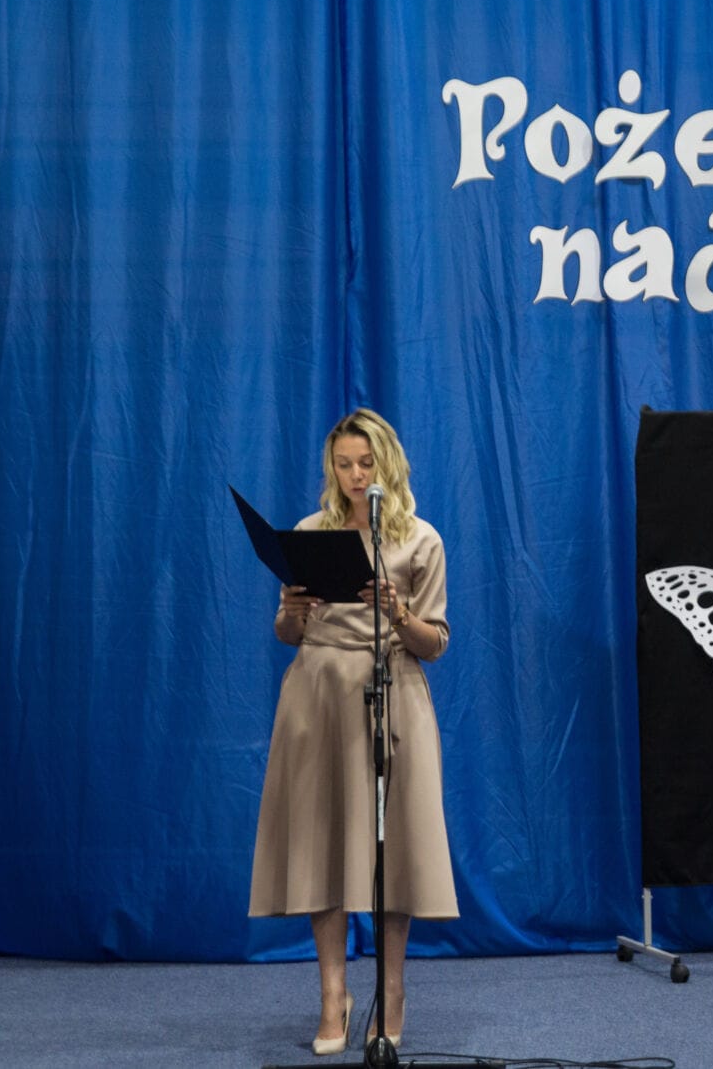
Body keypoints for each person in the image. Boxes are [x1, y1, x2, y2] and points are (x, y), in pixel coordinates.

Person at [249, 408, 457, 1056]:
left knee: (393, 854)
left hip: (391, 695)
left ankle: (391, 993)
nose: (355, 474)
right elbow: (288, 633)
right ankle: (332, 996)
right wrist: (290, 611)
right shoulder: (310, 533)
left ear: (387, 464)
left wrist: (398, 613)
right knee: (322, 846)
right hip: (316, 698)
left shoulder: (420, 540)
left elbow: (436, 642)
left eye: (366, 463)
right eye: (344, 464)